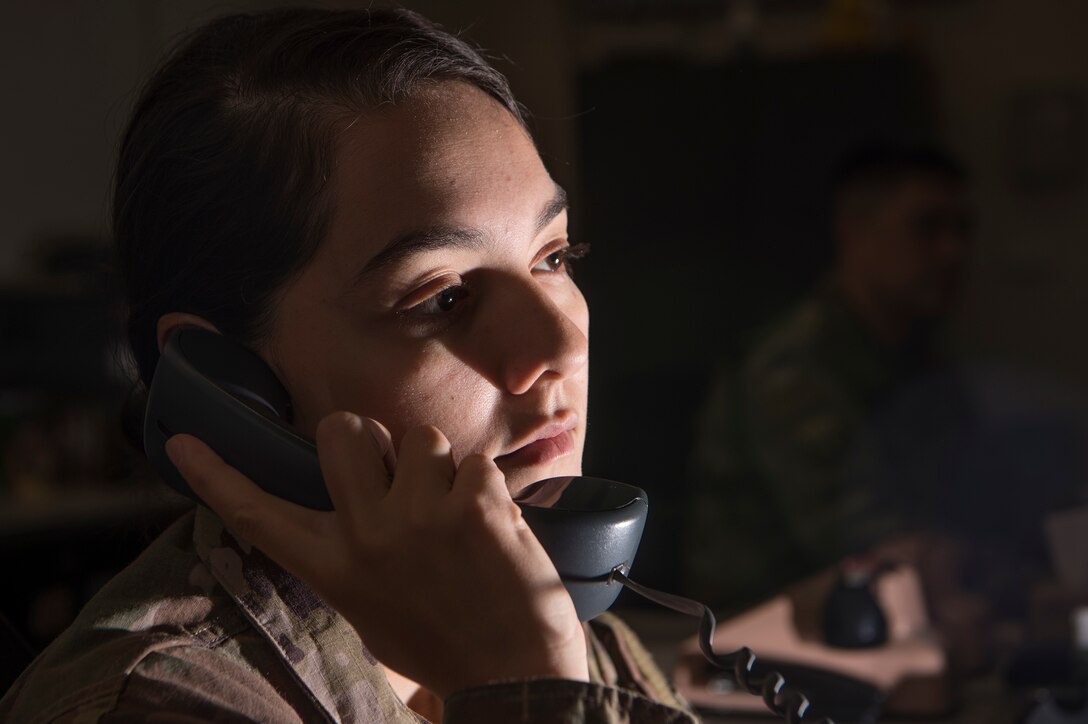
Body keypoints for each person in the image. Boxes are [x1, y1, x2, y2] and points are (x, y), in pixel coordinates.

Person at [1, 8, 695, 722]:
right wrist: (522, 687)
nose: (560, 347)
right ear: (234, 384)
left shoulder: (540, 610)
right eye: (445, 297)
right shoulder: (164, 702)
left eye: (553, 257)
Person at [684, 143, 973, 609]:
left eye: (962, 229)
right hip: (768, 645)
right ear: (855, 232)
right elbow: (860, 538)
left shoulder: (920, 362)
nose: (953, 250)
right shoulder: (793, 368)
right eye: (927, 227)